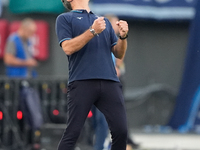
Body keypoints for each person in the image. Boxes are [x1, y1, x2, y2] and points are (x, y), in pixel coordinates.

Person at [55, 0, 129, 150]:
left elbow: (119, 53)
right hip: (82, 81)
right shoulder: (64, 19)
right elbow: (68, 48)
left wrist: (123, 37)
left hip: (109, 81)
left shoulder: (104, 22)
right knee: (73, 133)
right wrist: (92, 31)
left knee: (121, 131)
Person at [4, 18, 42, 150]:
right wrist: (27, 63)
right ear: (24, 29)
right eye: (31, 32)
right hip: (17, 83)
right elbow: (8, 59)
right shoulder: (13, 40)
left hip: (28, 82)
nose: (32, 35)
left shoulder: (27, 42)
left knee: (32, 113)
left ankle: (31, 140)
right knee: (19, 113)